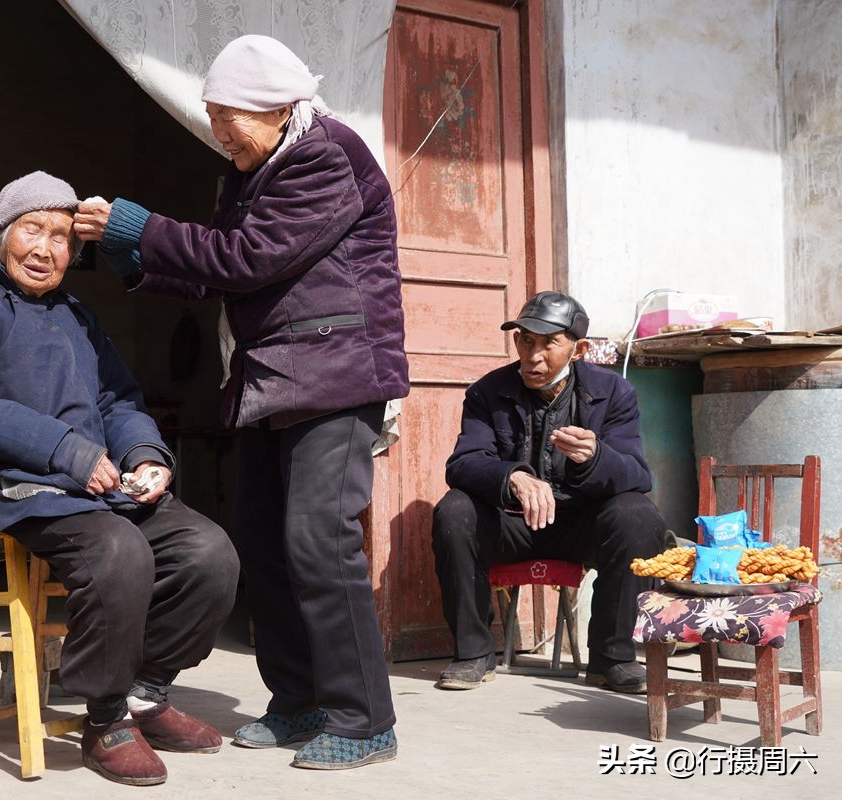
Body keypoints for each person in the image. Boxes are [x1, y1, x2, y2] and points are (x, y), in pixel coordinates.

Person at [73, 34, 409, 771]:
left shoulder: (326, 155)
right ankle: (298, 699)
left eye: (232, 119)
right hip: (268, 381)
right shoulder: (245, 174)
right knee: (266, 543)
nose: (222, 135)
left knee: (320, 540)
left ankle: (364, 718)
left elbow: (248, 258)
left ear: (280, 106)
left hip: (338, 373)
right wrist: (135, 260)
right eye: (214, 118)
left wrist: (137, 224)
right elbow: (216, 271)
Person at [0, 171, 239, 787]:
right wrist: (65, 450)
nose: (45, 248)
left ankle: (144, 692)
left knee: (209, 552)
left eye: (61, 238)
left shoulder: (77, 315)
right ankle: (106, 716)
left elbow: (117, 398)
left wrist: (144, 454)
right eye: (32, 230)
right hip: (13, 486)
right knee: (119, 552)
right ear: (0, 237)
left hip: (97, 487)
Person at [431, 291, 665, 694]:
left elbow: (637, 474)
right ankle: (472, 653)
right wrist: (513, 477)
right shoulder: (487, 392)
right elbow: (463, 463)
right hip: (512, 526)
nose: (532, 356)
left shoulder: (614, 393)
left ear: (579, 349)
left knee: (638, 515)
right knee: (454, 510)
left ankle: (612, 658)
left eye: (548, 343)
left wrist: (595, 457)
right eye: (524, 340)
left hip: (579, 527)